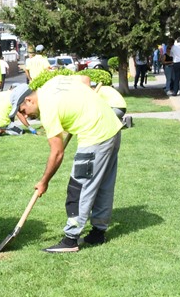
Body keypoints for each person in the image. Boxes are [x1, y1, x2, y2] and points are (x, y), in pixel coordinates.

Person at [14, 79, 122, 253]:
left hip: (95, 136)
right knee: (102, 185)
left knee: (78, 187)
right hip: (112, 128)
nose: (25, 116)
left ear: (29, 100)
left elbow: (57, 153)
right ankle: (98, 233)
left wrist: (44, 181)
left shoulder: (48, 109)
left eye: (23, 111)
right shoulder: (52, 83)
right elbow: (85, 80)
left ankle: (71, 239)